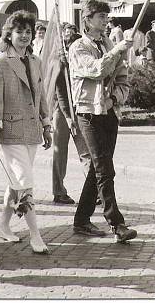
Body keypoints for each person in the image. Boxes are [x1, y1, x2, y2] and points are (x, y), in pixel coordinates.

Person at [69, 0, 137, 243]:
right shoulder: (78, 47)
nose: (106, 21)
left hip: (108, 112)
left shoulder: (108, 43)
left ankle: (81, 220)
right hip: (88, 113)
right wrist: (118, 50)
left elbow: (122, 78)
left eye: (107, 17)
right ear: (87, 20)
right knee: (104, 169)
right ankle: (116, 224)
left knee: (98, 169)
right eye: (101, 17)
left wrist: (115, 99)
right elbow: (96, 69)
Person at [0, 11, 52, 254]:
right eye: (19, 32)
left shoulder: (36, 61)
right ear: (9, 34)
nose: (24, 36)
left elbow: (41, 96)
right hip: (10, 131)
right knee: (26, 183)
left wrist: (47, 125)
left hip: (32, 129)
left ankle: (3, 225)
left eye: (28, 32)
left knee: (16, 182)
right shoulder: (0, 62)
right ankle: (36, 235)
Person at [51, 23, 91, 205]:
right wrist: (68, 117)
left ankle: (94, 192)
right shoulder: (62, 64)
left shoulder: (83, 63)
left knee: (86, 152)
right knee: (60, 151)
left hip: (80, 109)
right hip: (62, 111)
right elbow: (61, 93)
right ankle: (58, 191)